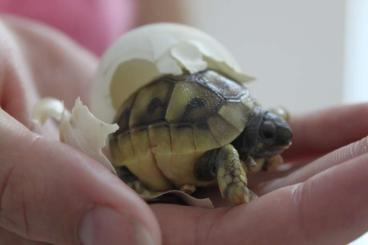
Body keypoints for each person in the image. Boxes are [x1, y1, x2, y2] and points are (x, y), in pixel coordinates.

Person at [0, 10, 368, 245]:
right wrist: (238, 190)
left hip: (129, 88)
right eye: (269, 137)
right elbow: (224, 146)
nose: (281, 141)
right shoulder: (225, 147)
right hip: (119, 112)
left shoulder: (243, 121)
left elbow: (171, 31)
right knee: (223, 151)